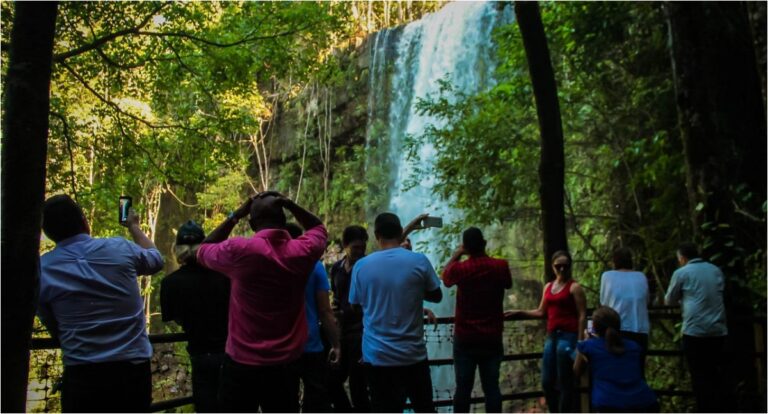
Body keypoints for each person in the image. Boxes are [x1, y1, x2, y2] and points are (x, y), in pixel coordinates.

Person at [196, 191, 327, 412]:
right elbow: (319, 229)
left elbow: (202, 250)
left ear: (251, 222)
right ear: (284, 220)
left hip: (241, 362)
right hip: (285, 365)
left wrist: (235, 214)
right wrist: (290, 204)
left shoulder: (239, 250)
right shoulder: (301, 251)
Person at [37, 194, 164, 412]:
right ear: (84, 222)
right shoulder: (120, 248)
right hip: (131, 372)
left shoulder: (42, 269)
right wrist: (133, 227)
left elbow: (52, 324)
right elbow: (155, 259)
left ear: (48, 233)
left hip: (82, 374)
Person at [349, 212, 443, 412]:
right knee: (425, 408)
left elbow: (355, 305)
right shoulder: (419, 260)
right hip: (413, 356)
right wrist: (412, 290)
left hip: (377, 357)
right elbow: (437, 296)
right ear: (401, 233)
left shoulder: (361, 266)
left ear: (376, 235)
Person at [160, 220, 230, 412]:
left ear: (177, 249)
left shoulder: (170, 283)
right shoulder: (224, 277)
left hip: (200, 354)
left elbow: (174, 317)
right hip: (229, 352)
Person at [505, 250, 587, 413]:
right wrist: (520, 312)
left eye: (565, 266)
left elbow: (582, 315)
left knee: (565, 381)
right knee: (547, 382)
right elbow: (542, 312)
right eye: (558, 266)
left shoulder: (575, 288)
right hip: (552, 337)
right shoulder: (548, 287)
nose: (562, 269)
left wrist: (580, 343)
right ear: (552, 266)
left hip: (568, 336)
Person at [442, 227, 512, 413]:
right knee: (492, 388)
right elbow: (508, 283)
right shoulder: (500, 266)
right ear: (484, 243)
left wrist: (457, 255)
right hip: (491, 337)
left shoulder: (461, 269)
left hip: (465, 338)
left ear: (465, 247)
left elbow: (446, 278)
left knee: (463, 389)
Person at [664, 242, 728, 413]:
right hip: (718, 329)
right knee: (716, 374)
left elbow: (669, 300)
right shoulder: (715, 270)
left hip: (695, 331)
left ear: (683, 259)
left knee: (699, 376)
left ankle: (704, 409)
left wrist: (683, 299)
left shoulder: (682, 273)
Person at [285, 223, 341, 413]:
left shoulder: (269, 264)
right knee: (316, 397)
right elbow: (325, 311)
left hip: (281, 347)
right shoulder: (314, 266)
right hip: (311, 344)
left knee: (284, 400)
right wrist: (336, 344)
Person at [573, 306, 658, 412]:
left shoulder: (589, 346)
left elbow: (576, 371)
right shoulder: (634, 346)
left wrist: (585, 341)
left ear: (595, 327)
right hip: (644, 402)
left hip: (607, 403)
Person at [328, 225, 371, 412]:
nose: (360, 252)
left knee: (358, 385)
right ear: (345, 245)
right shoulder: (337, 269)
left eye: (362, 247)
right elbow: (336, 296)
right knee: (331, 381)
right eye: (355, 248)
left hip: (362, 333)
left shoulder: (369, 268)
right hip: (343, 331)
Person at [599, 247, 650, 376]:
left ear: (614, 262)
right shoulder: (641, 276)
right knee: (638, 372)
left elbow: (604, 303)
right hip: (640, 329)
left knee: (617, 370)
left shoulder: (607, 276)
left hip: (617, 329)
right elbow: (646, 300)